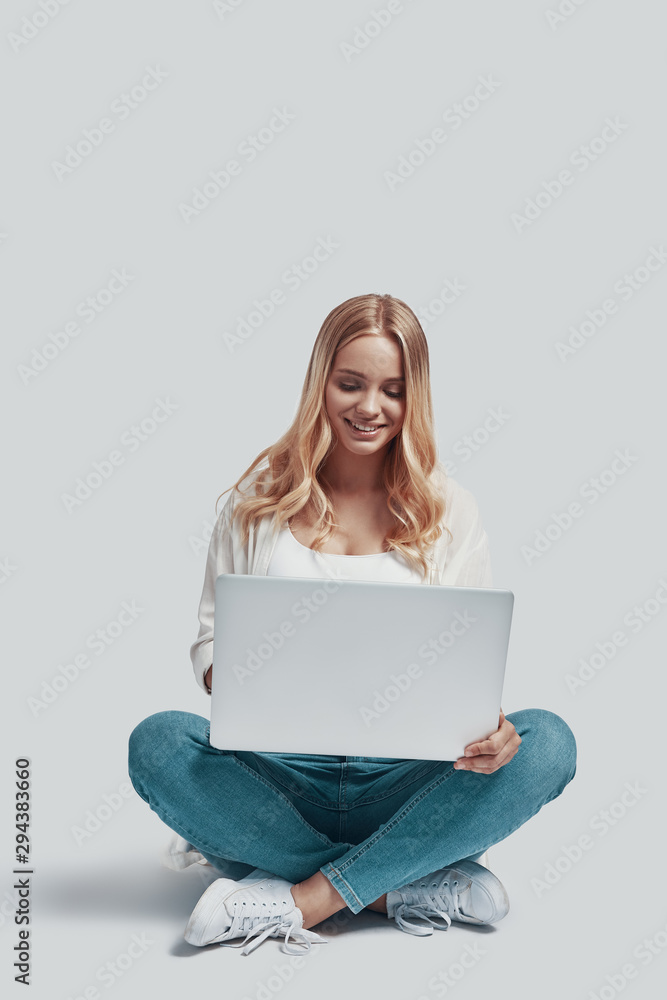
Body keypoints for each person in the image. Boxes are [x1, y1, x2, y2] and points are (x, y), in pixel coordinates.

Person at [128, 293, 577, 957]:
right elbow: (211, 658)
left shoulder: (451, 511)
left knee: (547, 742)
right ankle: (395, 885)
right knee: (158, 742)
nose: (370, 408)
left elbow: (467, 669)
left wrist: (494, 734)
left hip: (400, 783)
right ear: (321, 384)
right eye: (350, 384)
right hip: (278, 779)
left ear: (412, 398)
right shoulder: (254, 508)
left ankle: (302, 898)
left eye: (392, 391)